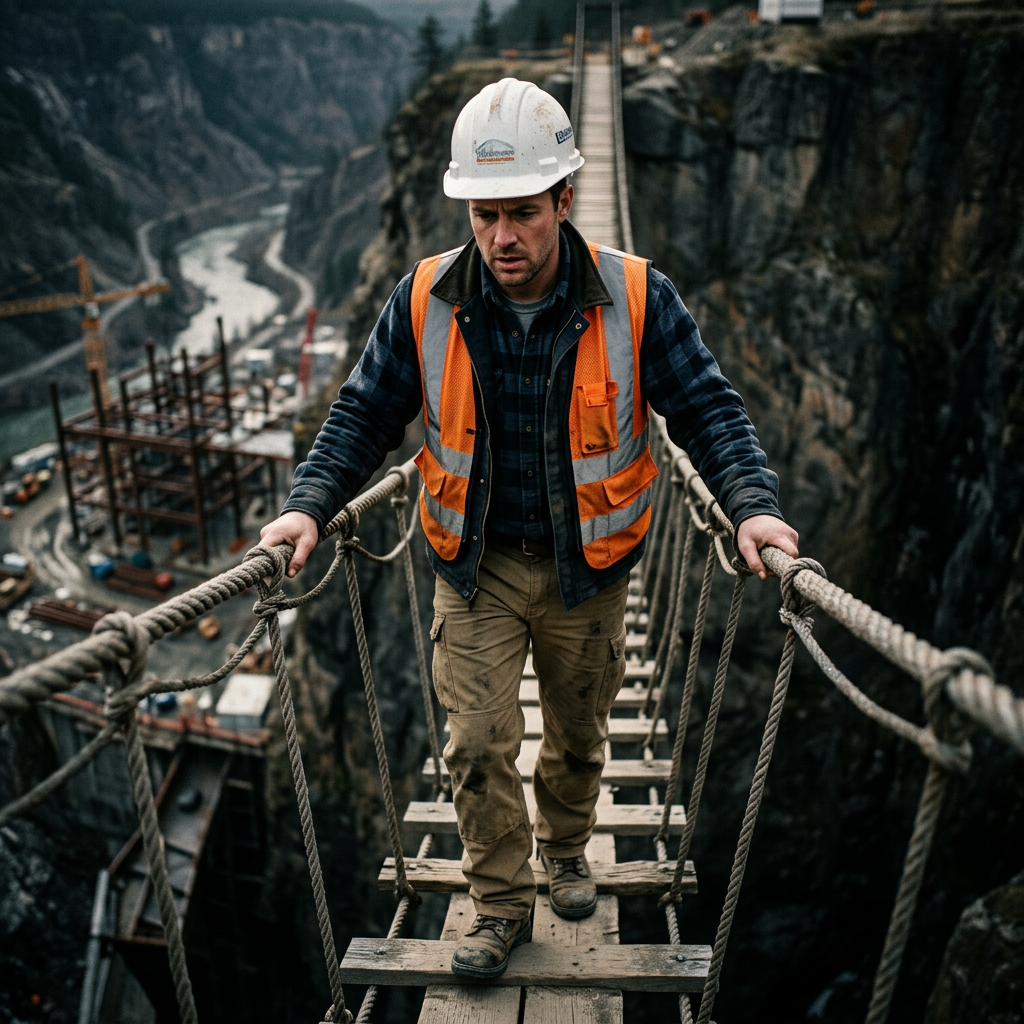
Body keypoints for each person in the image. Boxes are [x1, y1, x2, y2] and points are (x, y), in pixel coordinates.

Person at [260, 78, 799, 979]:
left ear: (562, 200)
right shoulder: (425, 298)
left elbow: (706, 410)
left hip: (590, 568)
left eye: (520, 214)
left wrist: (753, 506)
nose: (501, 238)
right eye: (482, 215)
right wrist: (307, 504)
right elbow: (362, 415)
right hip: (473, 567)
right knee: (476, 742)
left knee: (582, 734)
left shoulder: (636, 297)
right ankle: (502, 905)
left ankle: (564, 848)